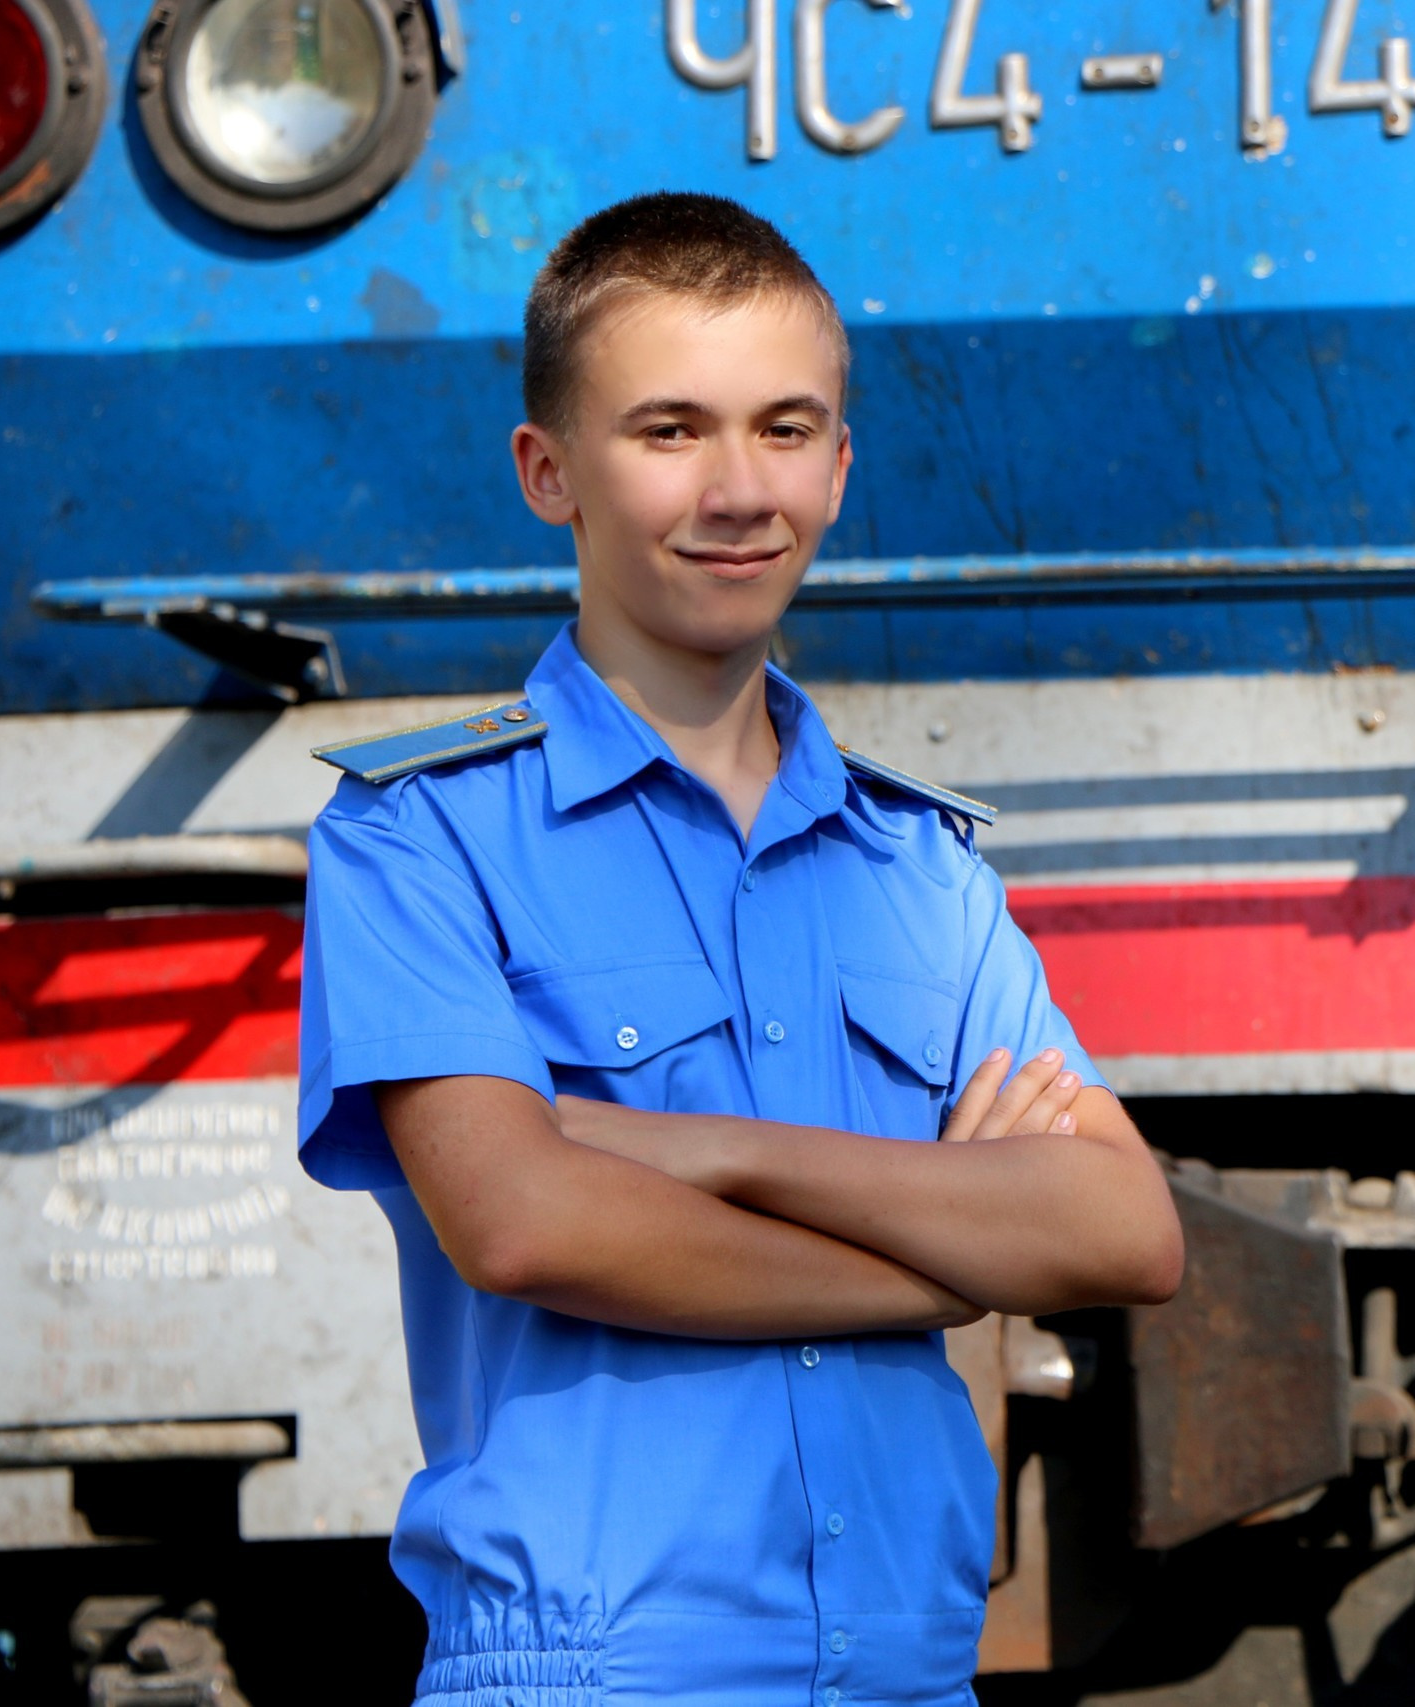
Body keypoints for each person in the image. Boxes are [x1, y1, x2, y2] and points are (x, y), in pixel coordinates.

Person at [295, 191, 1184, 1707]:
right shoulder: (418, 838)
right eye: (667, 431)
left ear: (840, 463)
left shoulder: (921, 867)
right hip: (594, 1675)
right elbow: (526, 1230)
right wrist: (943, 1263)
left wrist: (704, 1154)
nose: (735, 490)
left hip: (908, 1673)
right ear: (547, 471)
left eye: (785, 430)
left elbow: (1123, 1237)